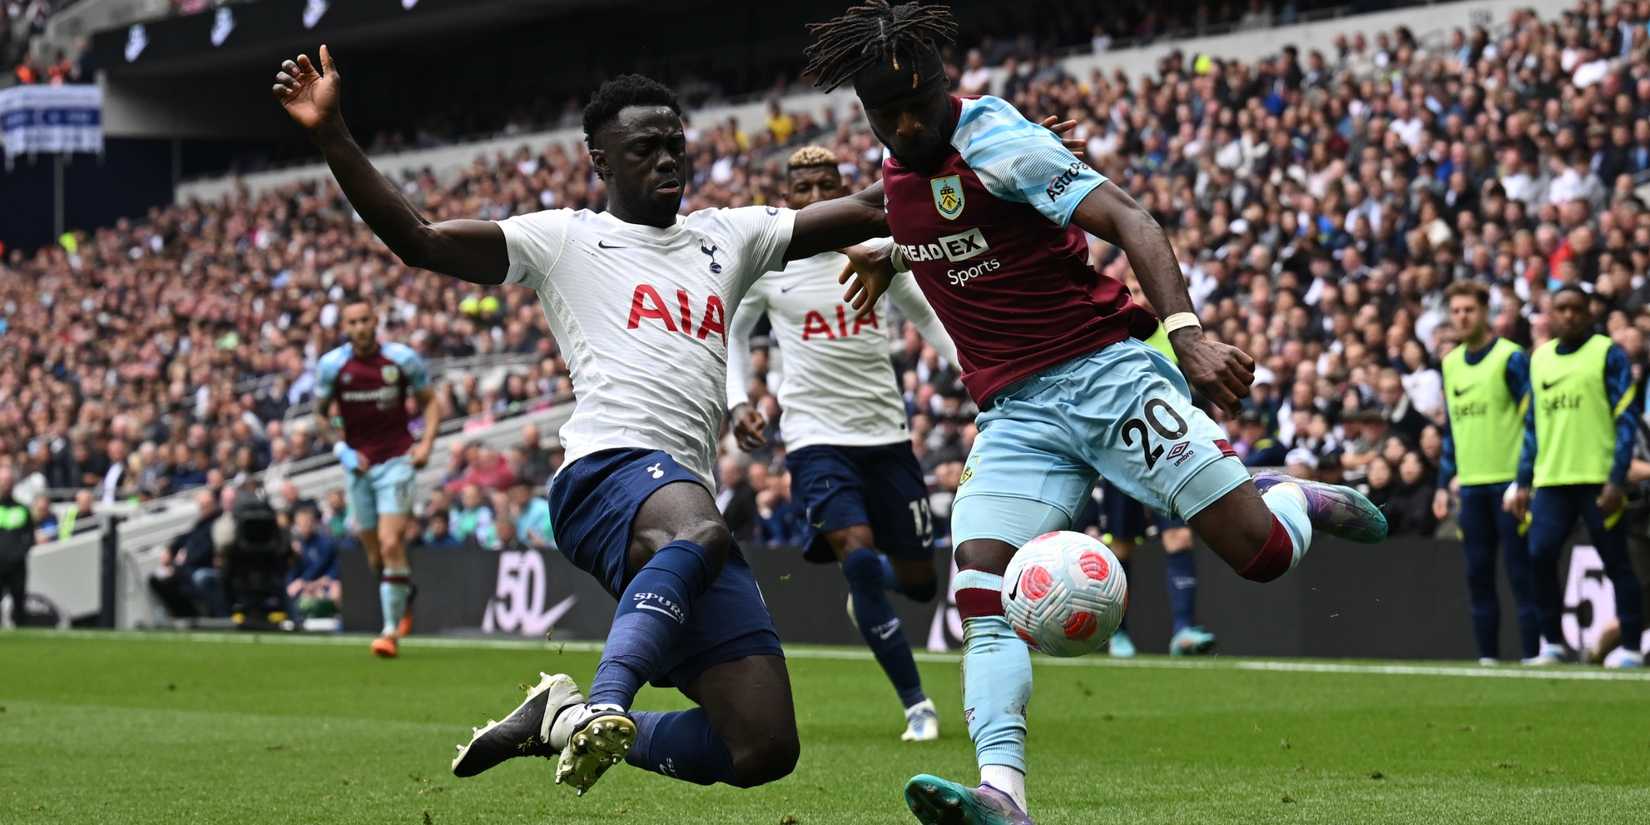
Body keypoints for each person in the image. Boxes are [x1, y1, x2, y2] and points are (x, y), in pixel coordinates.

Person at [804, 4, 1386, 822]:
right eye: (886, 114)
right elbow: (918, 206)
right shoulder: (905, 162)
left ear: (945, 86)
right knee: (980, 586)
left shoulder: (1003, 142)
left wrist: (1188, 335)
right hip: (1016, 414)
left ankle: (1292, 496)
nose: (906, 126)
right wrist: (889, 249)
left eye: (920, 106)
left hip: (1108, 378)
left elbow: (1130, 218)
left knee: (1262, 555)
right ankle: (1002, 792)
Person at [273, 49, 904, 796]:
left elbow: (873, 207)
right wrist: (332, 133)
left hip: (679, 495)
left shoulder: (730, 235)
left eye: (675, 145)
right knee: (701, 530)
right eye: (645, 149)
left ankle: (561, 719)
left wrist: (949, 126)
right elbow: (420, 239)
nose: (667, 160)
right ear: (600, 161)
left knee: (761, 746)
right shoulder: (562, 240)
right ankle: (606, 699)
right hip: (605, 472)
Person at [726, 144, 958, 741]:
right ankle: (917, 705)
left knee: (920, 582)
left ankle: (869, 583)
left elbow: (928, 316)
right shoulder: (770, 267)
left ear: (844, 187)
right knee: (854, 553)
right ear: (788, 197)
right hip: (814, 438)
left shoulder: (875, 250)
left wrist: (973, 373)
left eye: (826, 185)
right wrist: (739, 402)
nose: (815, 197)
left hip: (886, 434)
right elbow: (731, 331)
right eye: (803, 188)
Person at [1510, 285, 1645, 668]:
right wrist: (1523, 481)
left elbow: (1625, 419)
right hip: (1552, 480)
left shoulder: (1607, 353)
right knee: (1539, 556)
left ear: (1588, 313)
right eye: (1561, 308)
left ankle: (1631, 647)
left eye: (1576, 309)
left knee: (1617, 561)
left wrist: (1617, 478)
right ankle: (1552, 644)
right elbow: (1532, 426)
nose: (1568, 315)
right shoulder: (1540, 359)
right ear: (1551, 314)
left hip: (1598, 479)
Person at [313, 296, 441, 658]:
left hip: (397, 460)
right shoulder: (332, 365)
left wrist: (425, 443)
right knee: (375, 557)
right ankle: (403, 592)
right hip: (359, 466)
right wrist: (342, 450)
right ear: (345, 327)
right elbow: (319, 415)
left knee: (389, 542)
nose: (360, 328)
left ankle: (389, 632)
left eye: (365, 320)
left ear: (375, 321)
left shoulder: (401, 359)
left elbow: (430, 401)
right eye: (352, 322)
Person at [1432, 281, 1540, 665]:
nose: (1462, 317)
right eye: (1456, 311)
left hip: (1508, 486)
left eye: (1469, 310)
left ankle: (1534, 656)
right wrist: (1443, 482)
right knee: (1477, 575)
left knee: (1520, 573)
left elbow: (1533, 421)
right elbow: (1452, 429)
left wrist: (1523, 479)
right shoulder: (1450, 363)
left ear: (1485, 313)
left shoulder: (1510, 358)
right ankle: (1488, 660)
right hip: (1471, 488)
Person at [0, 468, 33, 628]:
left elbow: (30, 536)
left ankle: (20, 628)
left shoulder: (22, 509)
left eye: (8, 482)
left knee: (19, 601)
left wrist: (20, 553)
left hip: (17, 565)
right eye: (3, 482)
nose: (6, 485)